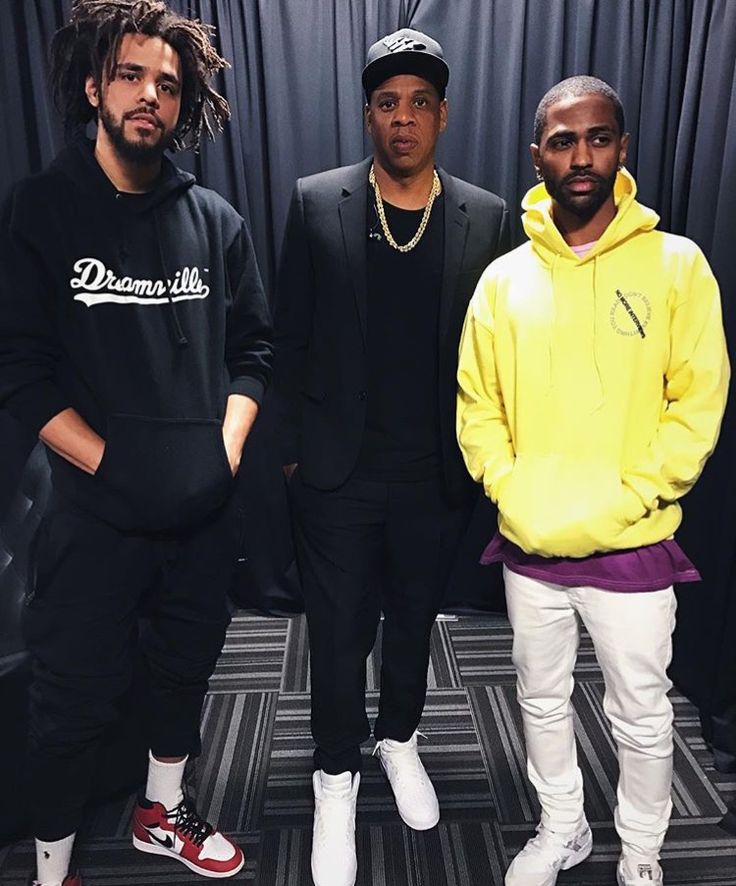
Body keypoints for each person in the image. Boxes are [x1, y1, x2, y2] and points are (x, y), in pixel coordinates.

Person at [0, 2, 272, 884]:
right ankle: (53, 867)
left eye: (167, 82)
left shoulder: (216, 223)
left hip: (199, 518)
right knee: (68, 705)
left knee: (183, 676)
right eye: (130, 76)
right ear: (94, 87)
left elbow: (254, 354)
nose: (149, 95)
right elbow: (18, 373)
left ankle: (164, 812)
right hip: (92, 520)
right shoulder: (41, 210)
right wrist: (115, 465)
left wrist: (222, 453)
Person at [456, 75, 729, 886]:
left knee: (642, 717)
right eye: (564, 141)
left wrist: (637, 495)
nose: (582, 156)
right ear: (535, 154)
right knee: (539, 702)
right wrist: (512, 490)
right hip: (532, 542)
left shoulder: (677, 265)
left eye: (598, 138)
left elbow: (699, 400)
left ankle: (641, 854)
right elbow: (479, 404)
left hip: (631, 545)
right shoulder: (503, 280)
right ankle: (562, 829)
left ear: (623, 148)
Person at [273, 27, 508, 886]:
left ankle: (399, 738)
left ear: (443, 115)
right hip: (335, 475)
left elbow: (496, 355)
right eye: (385, 102)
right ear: (367, 113)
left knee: (413, 622)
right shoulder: (315, 200)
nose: (401, 118)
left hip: (436, 476)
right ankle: (334, 777)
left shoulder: (485, 215)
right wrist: (293, 459)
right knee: (338, 636)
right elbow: (285, 339)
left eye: (418, 102)